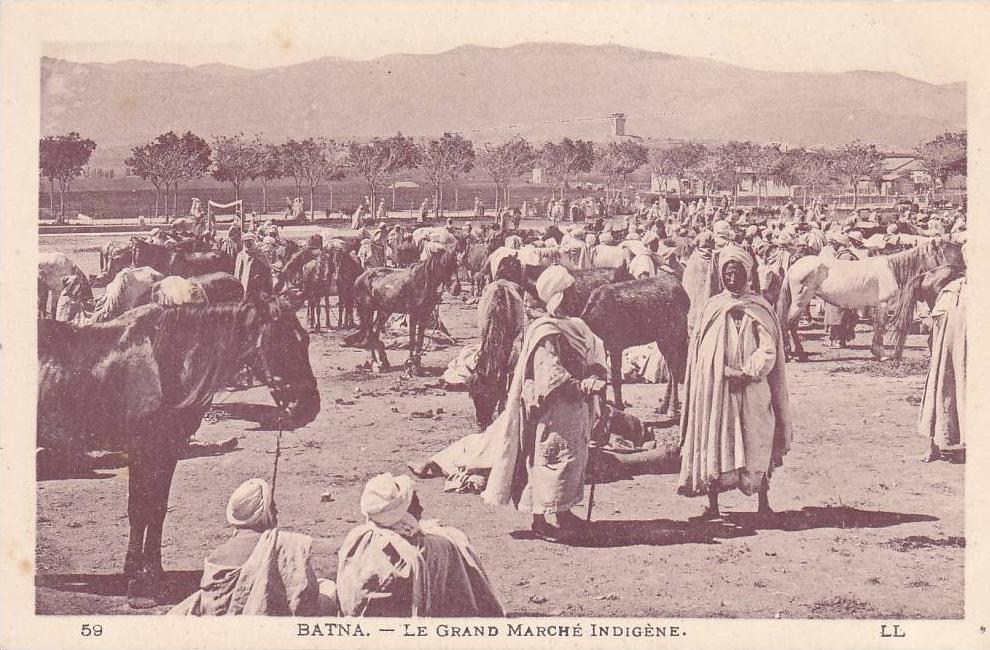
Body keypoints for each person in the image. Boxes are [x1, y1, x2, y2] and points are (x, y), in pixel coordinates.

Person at [482, 266, 608, 542]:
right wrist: (581, 386)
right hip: (554, 409)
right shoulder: (545, 332)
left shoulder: (577, 325)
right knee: (547, 459)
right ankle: (539, 519)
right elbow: (550, 375)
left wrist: (597, 372)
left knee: (573, 459)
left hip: (576, 408)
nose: (577, 295)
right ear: (559, 296)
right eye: (572, 291)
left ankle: (562, 512)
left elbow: (597, 351)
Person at [678, 246, 792, 520]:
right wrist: (718, 371)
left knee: (757, 439)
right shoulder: (712, 308)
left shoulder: (759, 308)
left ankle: (763, 503)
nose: (732, 279)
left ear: (747, 273)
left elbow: (769, 350)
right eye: (727, 274)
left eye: (737, 273)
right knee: (716, 441)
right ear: (721, 275)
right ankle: (713, 504)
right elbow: (700, 353)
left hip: (753, 388)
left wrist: (746, 372)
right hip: (719, 390)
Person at [335, 473, 503, 617]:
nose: (421, 507)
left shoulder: (358, 537)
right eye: (414, 503)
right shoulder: (432, 548)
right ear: (401, 513)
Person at [170, 478, 334, 616]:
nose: (276, 512)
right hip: (268, 624)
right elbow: (307, 596)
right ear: (265, 513)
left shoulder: (216, 556)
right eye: (273, 507)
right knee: (329, 588)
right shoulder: (285, 545)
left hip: (224, 627)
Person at [920, 266, 966, 462]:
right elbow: (931, 326)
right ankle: (936, 446)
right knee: (941, 394)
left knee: (951, 395)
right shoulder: (952, 290)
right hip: (948, 356)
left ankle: (948, 445)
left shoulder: (955, 290)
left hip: (958, 358)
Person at [234, 233, 273, 302]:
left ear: (253, 241)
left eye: (249, 241)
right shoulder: (241, 255)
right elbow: (238, 272)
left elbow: (267, 268)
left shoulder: (259, 253)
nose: (247, 243)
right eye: (245, 241)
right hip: (245, 282)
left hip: (258, 283)